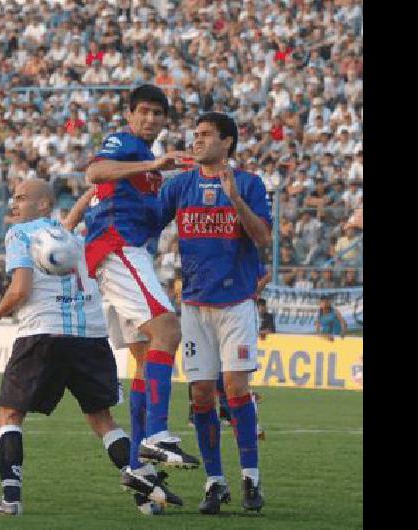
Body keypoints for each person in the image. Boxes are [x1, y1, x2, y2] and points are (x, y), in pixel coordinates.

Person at [0, 179, 178, 516]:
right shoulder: (79, 237)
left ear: (44, 204)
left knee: (10, 414)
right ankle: (147, 493)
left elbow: (21, 288)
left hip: (43, 334)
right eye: (13, 198)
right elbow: (69, 223)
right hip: (91, 337)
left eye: (22, 198)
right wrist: (90, 196)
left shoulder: (21, 234)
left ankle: (10, 500)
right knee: (102, 419)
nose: (14, 204)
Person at [151, 112, 270, 513]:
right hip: (194, 305)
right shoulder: (181, 186)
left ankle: (251, 479)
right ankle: (215, 481)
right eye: (195, 134)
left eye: (205, 135)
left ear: (228, 142)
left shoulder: (250, 184)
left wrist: (234, 198)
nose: (196, 140)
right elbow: (149, 222)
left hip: (235, 303)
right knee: (201, 393)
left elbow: (263, 237)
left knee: (235, 388)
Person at [83, 84, 199, 485]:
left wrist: (176, 186)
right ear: (131, 114)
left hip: (119, 252)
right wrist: (153, 165)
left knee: (145, 357)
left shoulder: (149, 167)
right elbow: (94, 171)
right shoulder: (125, 143)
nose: (150, 119)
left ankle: (137, 466)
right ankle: (156, 434)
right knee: (168, 329)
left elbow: (149, 218)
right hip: (118, 249)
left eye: (157, 114)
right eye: (144, 112)